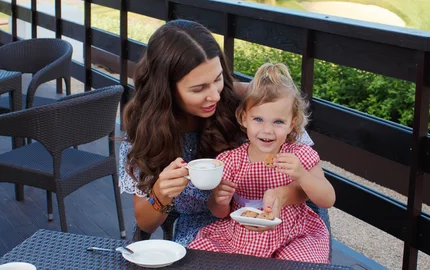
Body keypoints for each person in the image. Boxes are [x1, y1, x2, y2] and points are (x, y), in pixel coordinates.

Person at [117, 19, 331, 248]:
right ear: (166, 89)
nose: (216, 96)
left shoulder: (247, 102)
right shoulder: (148, 133)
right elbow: (145, 223)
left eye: (218, 79)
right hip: (203, 232)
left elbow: (304, 164)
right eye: (199, 89)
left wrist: (281, 196)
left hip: (277, 223)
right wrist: (162, 193)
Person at [187, 63, 335, 263]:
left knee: (298, 264)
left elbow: (328, 199)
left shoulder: (299, 155)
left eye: (278, 122)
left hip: (294, 236)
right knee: (204, 259)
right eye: (258, 119)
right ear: (244, 118)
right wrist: (219, 199)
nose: (267, 130)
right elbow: (220, 213)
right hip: (241, 238)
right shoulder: (231, 161)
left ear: (292, 123)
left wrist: (302, 175)